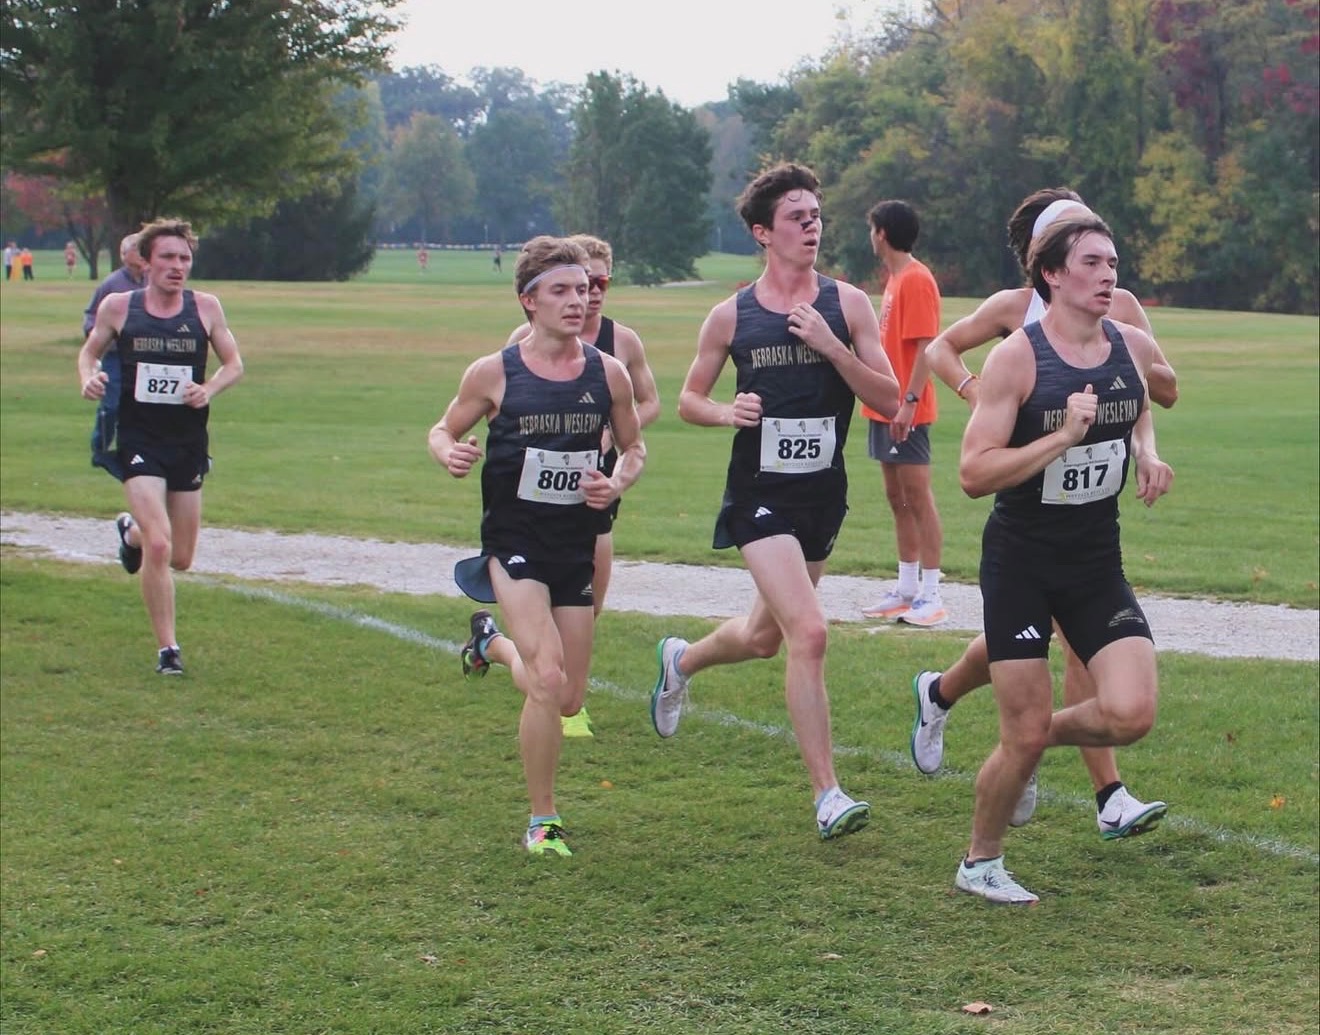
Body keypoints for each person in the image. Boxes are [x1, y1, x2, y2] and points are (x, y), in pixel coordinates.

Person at [912, 188, 1178, 840]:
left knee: (1122, 707)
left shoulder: (1125, 329)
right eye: (1091, 258)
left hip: (1093, 553)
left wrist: (1144, 447)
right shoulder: (1016, 336)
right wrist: (1021, 419)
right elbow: (970, 460)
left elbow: (1148, 391)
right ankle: (1017, 824)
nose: (1108, 273)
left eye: (1112, 259)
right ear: (1050, 264)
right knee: (1044, 670)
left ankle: (1027, 742)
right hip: (1026, 550)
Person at [649, 162, 900, 841]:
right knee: (810, 631)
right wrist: (728, 410)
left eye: (816, 214)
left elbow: (890, 398)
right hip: (759, 498)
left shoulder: (847, 305)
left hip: (823, 494)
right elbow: (688, 400)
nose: (811, 224)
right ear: (763, 232)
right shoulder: (732, 314)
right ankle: (827, 793)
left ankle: (682, 660)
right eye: (796, 216)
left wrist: (832, 349)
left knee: (765, 638)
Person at [428, 235, 646, 857]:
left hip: (574, 542)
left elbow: (634, 447)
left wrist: (617, 481)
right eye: (561, 291)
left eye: (583, 289)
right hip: (514, 541)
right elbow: (442, 429)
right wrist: (452, 453)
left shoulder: (609, 373)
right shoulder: (495, 371)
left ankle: (489, 643)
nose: (578, 301)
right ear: (529, 301)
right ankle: (542, 818)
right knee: (547, 678)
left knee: (568, 692)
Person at [507, 234, 662, 738]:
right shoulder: (520, 343)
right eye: (576, 285)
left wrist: (612, 433)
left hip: (597, 488)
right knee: (550, 656)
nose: (588, 295)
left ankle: (553, 675)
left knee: (588, 602)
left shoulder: (623, 345)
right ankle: (539, 669)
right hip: (531, 511)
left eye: (597, 284)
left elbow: (647, 406)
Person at [76, 218, 245, 675]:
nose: (177, 266)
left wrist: (208, 389)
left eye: (184, 258)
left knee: (182, 557)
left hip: (186, 439)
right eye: (167, 257)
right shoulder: (119, 306)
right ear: (144, 261)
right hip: (139, 439)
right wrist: (88, 377)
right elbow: (89, 352)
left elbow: (234, 364)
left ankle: (128, 530)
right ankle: (168, 651)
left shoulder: (205, 308)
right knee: (160, 544)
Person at [859, 200, 947, 627]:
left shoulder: (916, 280)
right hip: (884, 407)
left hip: (907, 409)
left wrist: (909, 404)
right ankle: (907, 587)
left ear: (882, 233)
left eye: (872, 228)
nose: (870, 235)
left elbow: (927, 349)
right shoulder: (894, 280)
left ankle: (931, 592)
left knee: (918, 498)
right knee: (897, 499)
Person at [83, 232, 149, 480]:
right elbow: (91, 316)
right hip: (114, 356)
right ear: (125, 255)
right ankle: (100, 450)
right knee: (110, 406)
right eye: (137, 249)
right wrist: (98, 338)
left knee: (138, 404)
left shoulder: (150, 281)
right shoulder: (112, 285)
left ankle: (130, 450)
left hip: (141, 356)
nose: (142, 254)